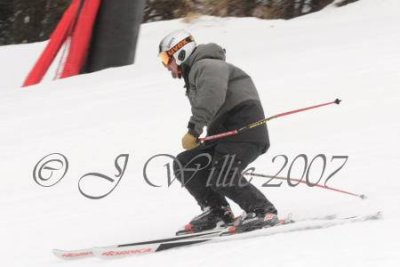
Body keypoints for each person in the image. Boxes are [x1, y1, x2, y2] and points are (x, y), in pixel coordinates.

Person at [158, 30, 278, 234]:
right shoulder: (198, 70)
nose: (165, 65)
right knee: (186, 163)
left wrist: (194, 130)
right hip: (225, 133)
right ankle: (217, 212)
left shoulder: (207, 65)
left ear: (180, 52)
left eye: (165, 58)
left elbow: (212, 96)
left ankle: (262, 211)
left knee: (222, 173)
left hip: (243, 129)